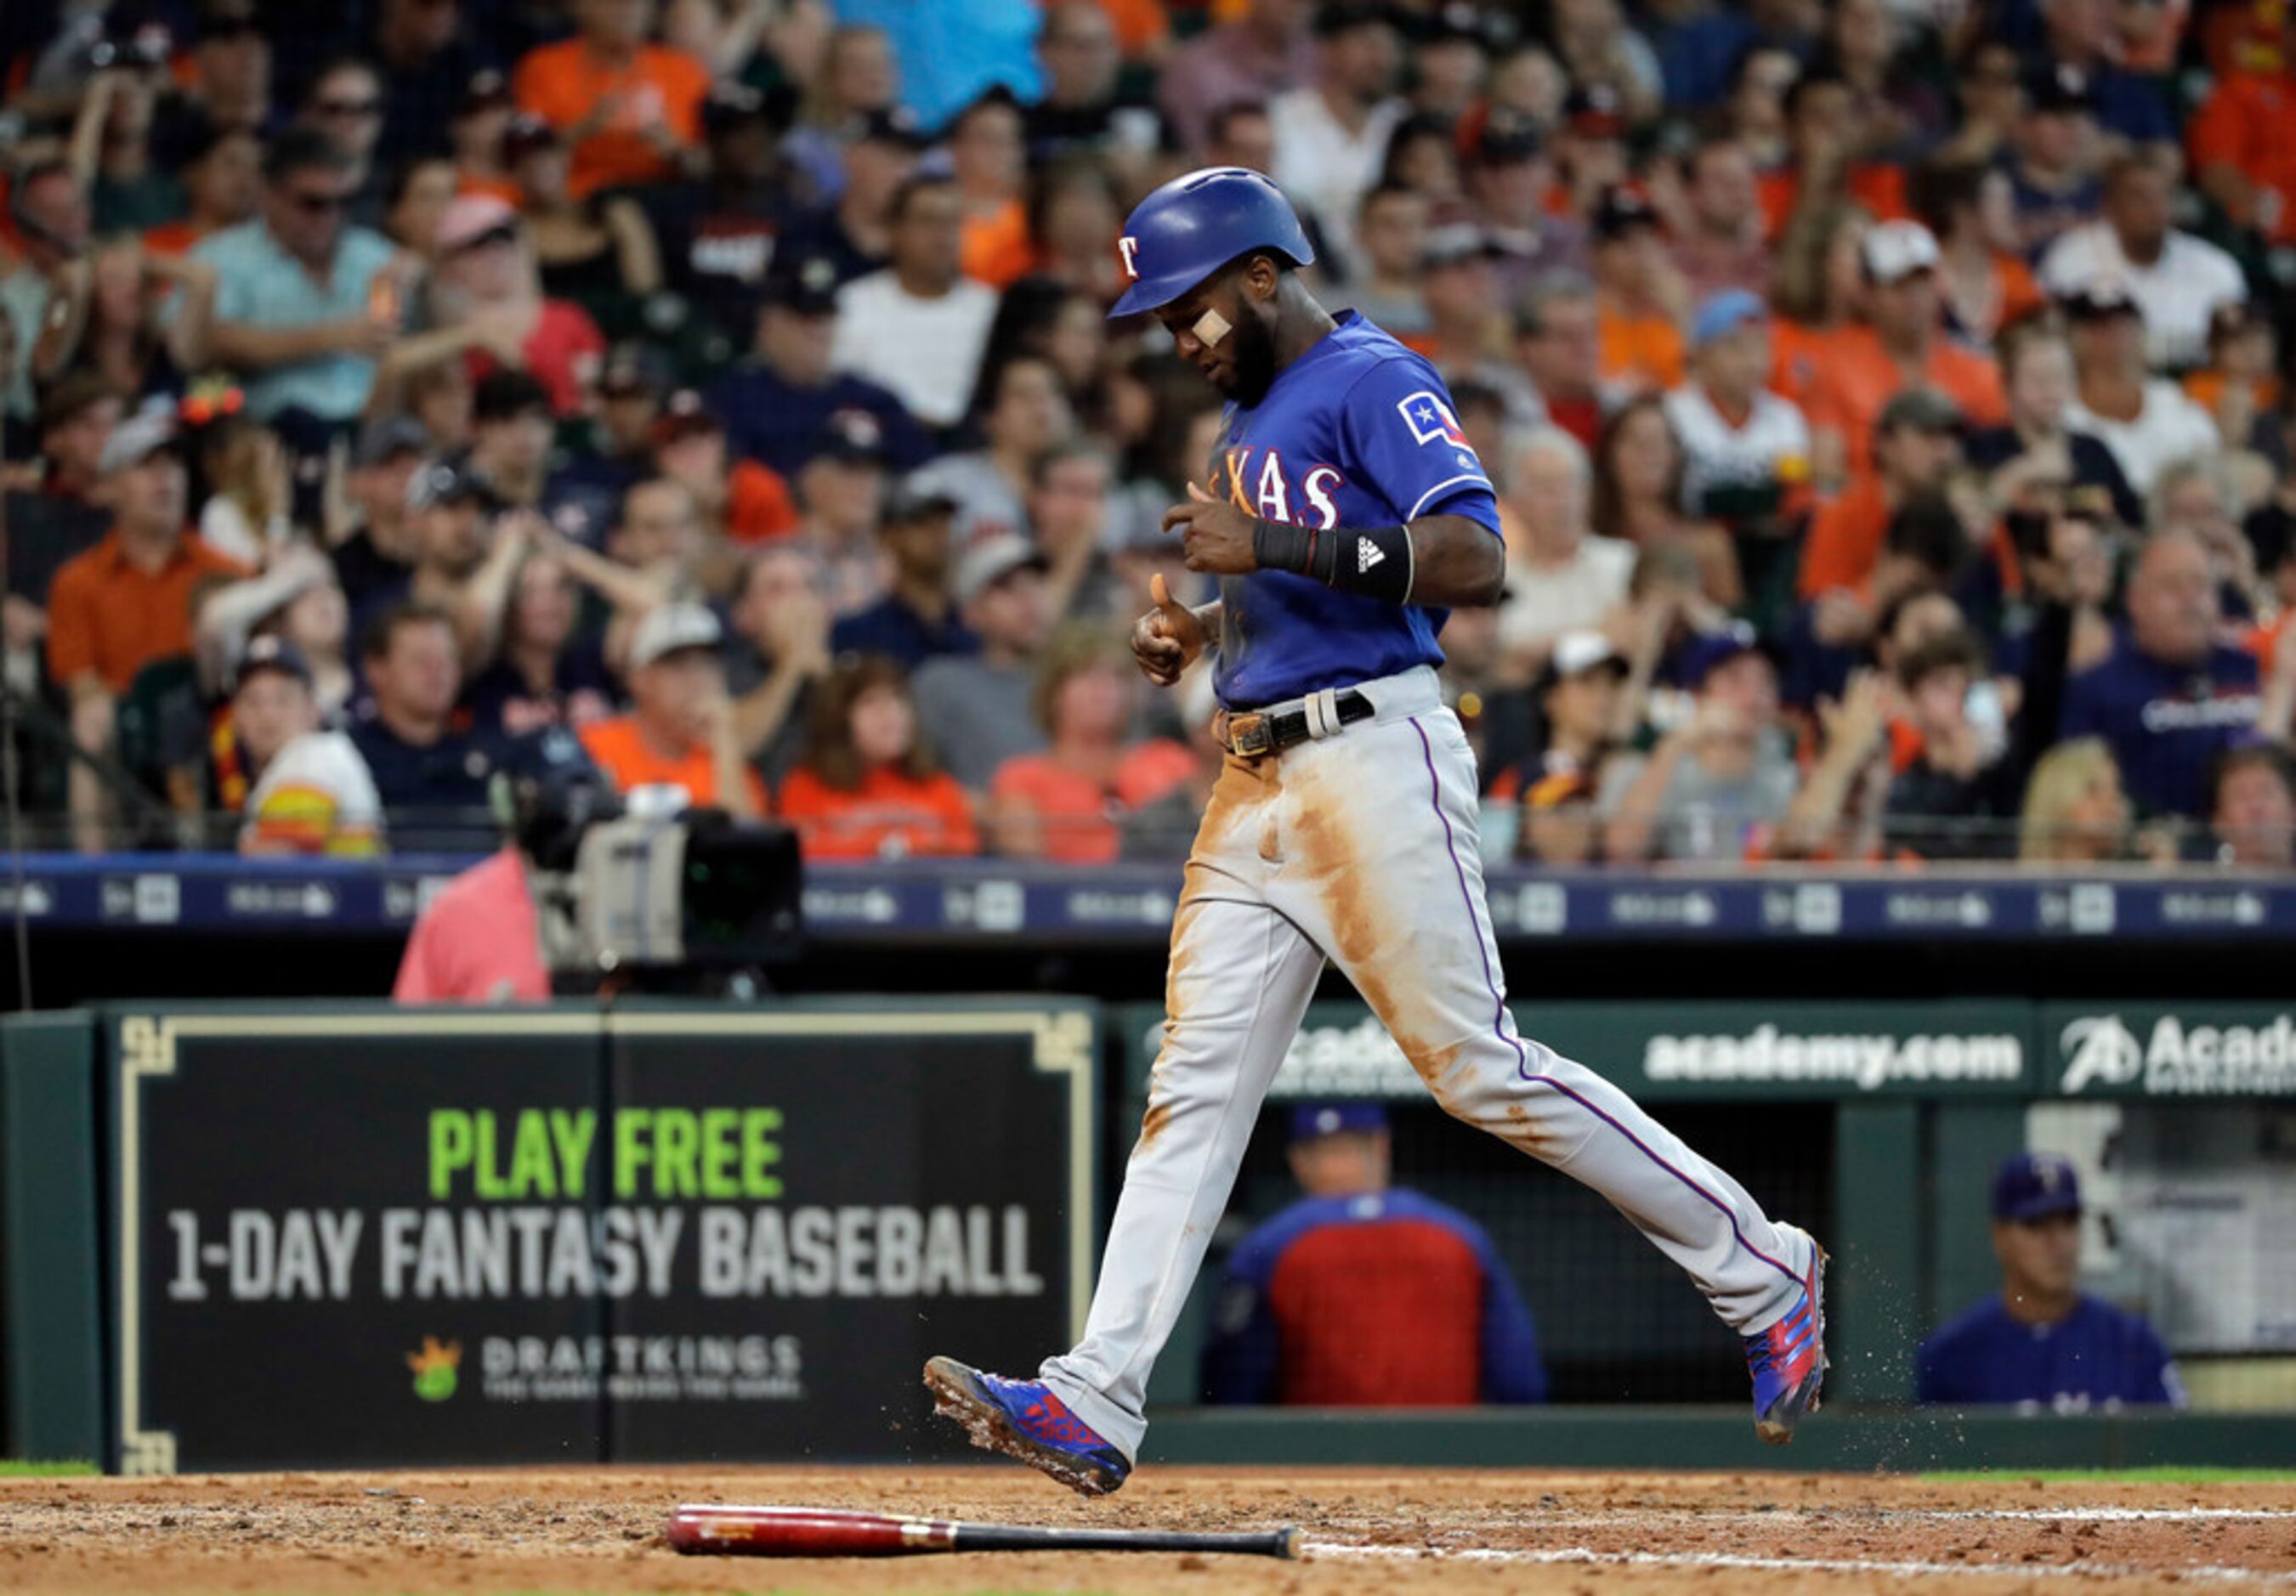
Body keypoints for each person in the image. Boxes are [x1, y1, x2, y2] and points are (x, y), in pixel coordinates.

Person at [923, 168, 1826, 1498]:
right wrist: (1199, 633)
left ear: (1263, 274)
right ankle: (1096, 1394)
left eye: (1189, 305)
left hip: (1369, 756)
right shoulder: (1243, 429)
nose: (1178, 335)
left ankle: (1761, 1267)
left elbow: (1470, 557)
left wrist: (1274, 545)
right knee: (1196, 1086)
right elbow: (1286, 592)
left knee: (1476, 1067)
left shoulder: (1366, 372)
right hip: (1254, 774)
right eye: (1163, 315)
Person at [1200, 1102, 1546, 1407]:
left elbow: (1234, 1383)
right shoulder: (1461, 1235)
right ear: (1382, 1146)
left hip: (1321, 1461)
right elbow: (1518, 1376)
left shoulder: (1268, 1245)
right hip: (1447, 1458)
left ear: (1299, 1160)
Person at [46, 407, 252, 852]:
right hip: (128, 731)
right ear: (111, 486)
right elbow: (82, 686)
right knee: (90, 719)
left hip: (211, 720)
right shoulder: (78, 581)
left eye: (173, 464)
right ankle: (93, 874)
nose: (166, 479)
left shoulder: (225, 570)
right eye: (147, 466)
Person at [1916, 1154, 2183, 1412]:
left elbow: (2177, 1448)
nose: (2058, 1243)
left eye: (2069, 1222)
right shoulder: (1952, 1357)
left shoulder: (2133, 1344)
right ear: (2000, 1237)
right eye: (2036, 1225)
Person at [190, 127, 400, 429]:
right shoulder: (222, 257)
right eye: (313, 203)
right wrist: (330, 337)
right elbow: (206, 342)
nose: (330, 215)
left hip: (372, 423)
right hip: (266, 423)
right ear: (268, 196)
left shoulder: (372, 254)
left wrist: (425, 278)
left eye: (342, 202)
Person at [394, 727, 609, 1002]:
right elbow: (411, 1035)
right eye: (550, 796)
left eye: (582, 795)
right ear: (507, 801)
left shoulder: (632, 893)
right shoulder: (458, 910)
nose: (571, 812)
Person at [2059, 531, 2261, 818]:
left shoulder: (2252, 669)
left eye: (2201, 585)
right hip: (2144, 851)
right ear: (2135, 600)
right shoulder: (2097, 689)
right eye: (2172, 586)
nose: (2191, 600)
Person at [1799, 220, 2005, 484]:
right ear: (1869, 293)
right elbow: (1825, 474)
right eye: (1899, 285)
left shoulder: (1979, 370)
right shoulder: (1833, 368)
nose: (1914, 296)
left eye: (1923, 281)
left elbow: (1998, 460)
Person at [706, 258, 932, 479]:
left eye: (826, 315)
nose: (818, 328)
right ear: (769, 324)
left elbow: (923, 479)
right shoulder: (735, 401)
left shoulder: (875, 400)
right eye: (804, 316)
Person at [986, 627, 1194, 863]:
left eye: (1116, 677)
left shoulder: (1170, 762)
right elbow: (1030, 874)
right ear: (1054, 692)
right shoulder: (1022, 779)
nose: (1103, 689)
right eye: (1087, 675)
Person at [1602, 623, 1801, 863]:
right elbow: (1622, 849)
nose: (1753, 696)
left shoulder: (1786, 777)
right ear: (1698, 692)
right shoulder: (1644, 771)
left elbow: (1809, 847)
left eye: (1764, 681)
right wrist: (1677, 743)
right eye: (1734, 679)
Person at [2039, 152, 2248, 372]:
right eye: (2139, 196)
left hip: (2194, 390)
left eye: (2163, 195)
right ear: (2110, 206)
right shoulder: (2070, 260)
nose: (2154, 206)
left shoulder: (2216, 267)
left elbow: (2238, 349)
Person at [828, 178, 999, 432]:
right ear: (894, 232)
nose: (942, 234)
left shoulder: (991, 308)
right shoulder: (853, 304)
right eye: (928, 220)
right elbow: (839, 392)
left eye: (952, 222)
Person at [776, 654, 978, 861]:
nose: (890, 712)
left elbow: (962, 858)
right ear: (838, 718)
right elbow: (802, 858)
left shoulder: (939, 786)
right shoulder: (805, 786)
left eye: (897, 699)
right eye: (870, 702)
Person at [577, 602, 767, 815]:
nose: (697, 679)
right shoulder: (593, 748)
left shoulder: (727, 762)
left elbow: (747, 843)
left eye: (707, 664)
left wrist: (724, 742)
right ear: (639, 678)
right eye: (678, 665)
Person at [511, 0, 711, 199]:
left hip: (668, 195)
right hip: (579, 201)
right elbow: (525, 159)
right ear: (580, 6)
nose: (629, 9)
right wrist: (583, 129)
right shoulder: (544, 68)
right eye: (615, 3)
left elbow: (709, 164)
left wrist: (675, 150)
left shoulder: (684, 70)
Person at [910, 534, 1053, 788]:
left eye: (1035, 584)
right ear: (970, 613)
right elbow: (915, 782)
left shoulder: (1077, 684)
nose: (1028, 600)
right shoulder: (942, 684)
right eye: (1006, 588)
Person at [348, 602, 499, 836]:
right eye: (420, 660)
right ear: (376, 670)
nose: (437, 671)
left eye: (447, 659)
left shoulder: (483, 752)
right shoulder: (348, 756)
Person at [1495, 427, 1636, 676]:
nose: (1563, 501)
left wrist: (1536, 651)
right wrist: (1599, 634)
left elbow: (1630, 639)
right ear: (1516, 504)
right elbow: (1501, 660)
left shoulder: (1624, 563)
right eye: (1546, 488)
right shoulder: (1502, 581)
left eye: (1571, 484)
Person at [2057, 283, 2219, 496]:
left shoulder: (2173, 400)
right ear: (2074, 338)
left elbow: (2213, 467)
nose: (2114, 336)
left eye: (2123, 324)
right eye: (2098, 327)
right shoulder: (2061, 411)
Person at [230, 637, 385, 857]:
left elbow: (272, 865)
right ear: (236, 717)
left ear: (313, 710)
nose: (267, 714)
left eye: (282, 699)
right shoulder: (281, 771)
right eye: (252, 701)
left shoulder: (315, 756)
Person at [2017, 737, 2137, 863]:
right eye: (2093, 789)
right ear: (2056, 798)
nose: (2111, 804)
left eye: (2115, 789)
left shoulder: (2136, 877)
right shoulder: (2012, 880)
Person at [2208, 745, 2296, 869]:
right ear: (2219, 822)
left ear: (2293, 809)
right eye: (2241, 796)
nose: (2256, 806)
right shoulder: (2202, 886)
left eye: (2267, 792)